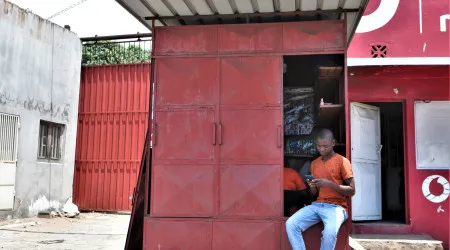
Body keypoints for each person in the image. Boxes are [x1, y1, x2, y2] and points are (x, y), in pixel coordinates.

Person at [286, 129, 356, 250]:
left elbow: (352, 190)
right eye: (319, 146)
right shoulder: (314, 163)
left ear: (333, 143)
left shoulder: (342, 161)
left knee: (329, 233)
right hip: (317, 205)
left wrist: (330, 184)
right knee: (291, 224)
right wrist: (312, 186)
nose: (322, 149)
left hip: (337, 207)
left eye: (325, 146)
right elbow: (314, 193)